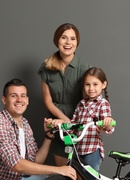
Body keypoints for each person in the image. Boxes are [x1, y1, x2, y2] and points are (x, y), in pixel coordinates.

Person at [48, 67, 114, 180]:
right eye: (87, 84)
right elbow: (74, 124)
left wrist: (107, 123)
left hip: (92, 150)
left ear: (103, 85)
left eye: (95, 84)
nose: (91, 88)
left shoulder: (102, 104)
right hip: (78, 150)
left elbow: (108, 125)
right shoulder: (81, 104)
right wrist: (61, 123)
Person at [38, 23, 90, 167]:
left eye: (73, 39)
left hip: (79, 124)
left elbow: (89, 100)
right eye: (64, 38)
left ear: (77, 42)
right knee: (63, 174)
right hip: (58, 125)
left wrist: (73, 123)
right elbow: (48, 101)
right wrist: (64, 119)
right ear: (57, 40)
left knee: (79, 175)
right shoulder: (46, 67)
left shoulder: (84, 67)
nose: (68, 42)